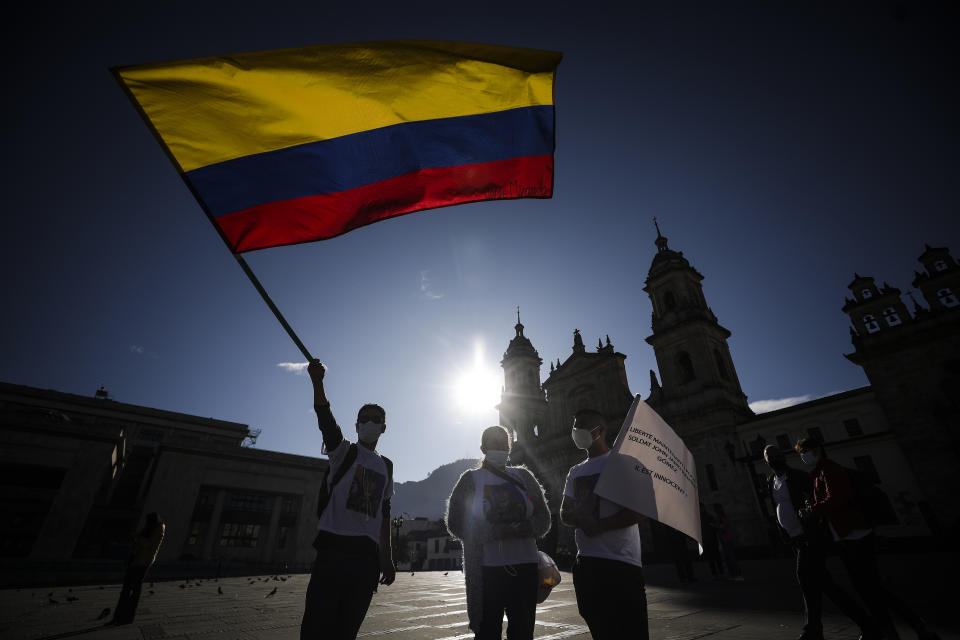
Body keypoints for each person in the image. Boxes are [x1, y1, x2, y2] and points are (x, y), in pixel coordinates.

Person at [796, 436, 940, 640]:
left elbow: (838, 497)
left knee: (872, 588)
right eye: (801, 453)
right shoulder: (819, 473)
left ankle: (913, 627)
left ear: (817, 450)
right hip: (844, 536)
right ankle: (895, 630)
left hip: (856, 534)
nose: (803, 456)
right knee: (869, 589)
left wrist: (813, 510)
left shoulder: (830, 470)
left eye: (805, 451)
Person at [300, 360, 396, 640]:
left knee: (347, 630)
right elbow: (325, 420)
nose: (370, 423)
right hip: (332, 552)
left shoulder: (387, 466)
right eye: (364, 419)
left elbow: (384, 515)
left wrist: (386, 558)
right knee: (316, 629)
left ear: (384, 427)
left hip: (366, 562)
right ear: (356, 425)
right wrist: (318, 382)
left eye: (376, 419)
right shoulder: (343, 452)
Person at [446, 425, 551, 640]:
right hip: (486, 570)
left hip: (526, 567)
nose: (500, 447)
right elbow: (455, 522)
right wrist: (493, 531)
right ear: (483, 448)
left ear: (510, 447)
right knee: (487, 632)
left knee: (523, 632)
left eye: (504, 443)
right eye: (495, 444)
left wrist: (528, 527)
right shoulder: (471, 479)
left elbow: (544, 518)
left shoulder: (523, 476)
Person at [763, 445, 878, 640]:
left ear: (783, 456)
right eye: (770, 457)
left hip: (810, 537)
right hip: (795, 539)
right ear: (766, 461)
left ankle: (812, 630)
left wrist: (813, 519)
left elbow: (818, 499)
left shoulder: (799, 476)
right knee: (825, 586)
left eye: (777, 455)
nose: (775, 458)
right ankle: (867, 624)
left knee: (805, 578)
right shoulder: (770, 482)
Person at [559, 409, 648, 640]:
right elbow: (563, 513)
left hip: (622, 563)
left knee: (631, 631)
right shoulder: (575, 471)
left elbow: (639, 512)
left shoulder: (625, 463)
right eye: (575, 426)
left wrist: (598, 525)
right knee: (600, 630)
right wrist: (581, 517)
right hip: (586, 563)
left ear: (601, 430)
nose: (577, 431)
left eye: (583, 425)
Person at [109, 512, 165, 625]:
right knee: (126, 589)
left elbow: (150, 544)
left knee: (133, 589)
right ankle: (119, 617)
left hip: (143, 562)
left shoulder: (158, 529)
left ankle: (127, 617)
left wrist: (138, 538)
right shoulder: (148, 529)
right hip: (135, 561)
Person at [713, 504, 743, 580]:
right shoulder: (722, 516)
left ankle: (736, 574)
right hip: (726, 538)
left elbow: (723, 527)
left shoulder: (721, 517)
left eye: (715, 509)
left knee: (730, 557)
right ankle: (734, 574)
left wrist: (715, 526)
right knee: (729, 557)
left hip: (725, 538)